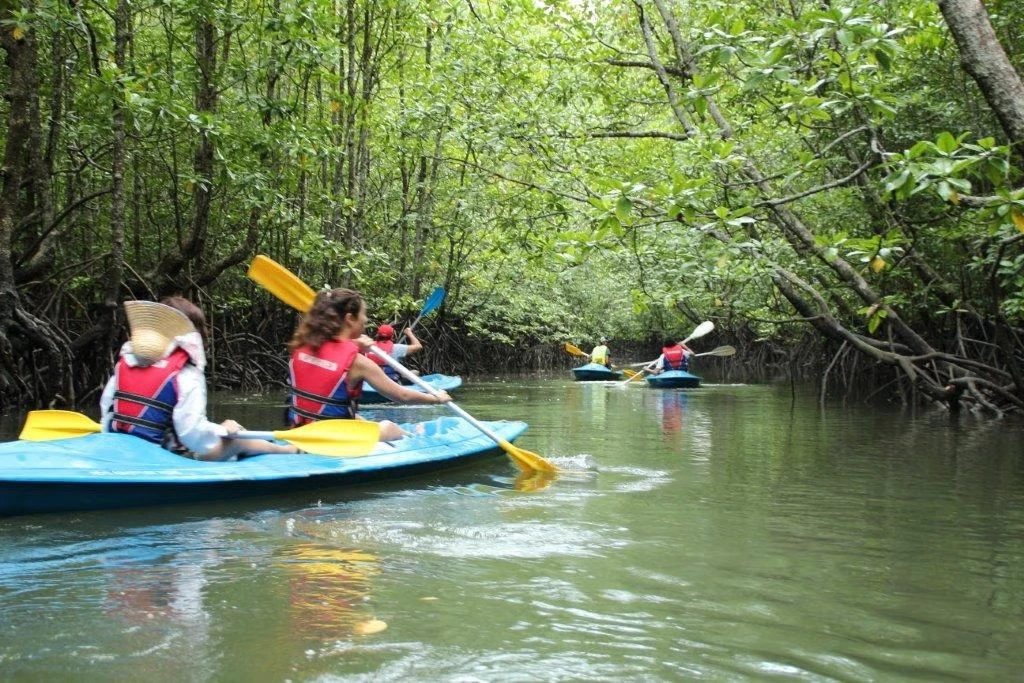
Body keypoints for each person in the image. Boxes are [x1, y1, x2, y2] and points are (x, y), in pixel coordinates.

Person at [100, 297, 300, 460]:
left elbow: (106, 411)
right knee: (236, 441)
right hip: (168, 457)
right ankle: (288, 451)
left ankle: (266, 444)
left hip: (123, 451)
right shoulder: (184, 373)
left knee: (229, 430)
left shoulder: (125, 362)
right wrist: (221, 430)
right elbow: (193, 436)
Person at [287, 288, 451, 441]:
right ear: (350, 319)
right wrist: (435, 398)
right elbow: (402, 396)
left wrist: (353, 343)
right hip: (334, 440)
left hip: (301, 432)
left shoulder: (302, 345)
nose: (365, 320)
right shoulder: (358, 362)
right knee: (389, 427)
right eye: (363, 315)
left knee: (359, 419)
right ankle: (409, 438)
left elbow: (330, 351)